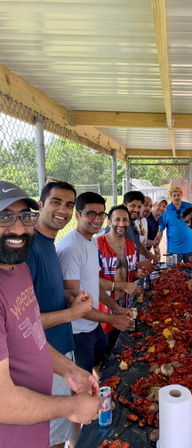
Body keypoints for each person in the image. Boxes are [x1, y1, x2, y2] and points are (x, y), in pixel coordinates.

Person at [0, 181, 103, 448]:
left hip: (36, 416)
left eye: (25, 217)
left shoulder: (18, 266)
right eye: (4, 217)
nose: (18, 228)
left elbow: (32, 333)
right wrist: (70, 405)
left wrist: (70, 370)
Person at [26, 180, 94, 448]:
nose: (62, 210)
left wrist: (69, 298)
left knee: (69, 423)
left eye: (68, 204)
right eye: (56, 202)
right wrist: (72, 313)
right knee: (51, 435)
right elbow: (23, 322)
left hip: (62, 350)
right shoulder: (29, 248)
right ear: (41, 204)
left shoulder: (48, 243)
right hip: (44, 357)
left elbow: (41, 298)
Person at [56, 192, 133, 376]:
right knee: (82, 380)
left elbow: (93, 284)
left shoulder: (91, 242)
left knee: (101, 367)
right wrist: (114, 319)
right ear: (77, 215)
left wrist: (116, 308)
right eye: (91, 213)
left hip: (93, 324)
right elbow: (73, 302)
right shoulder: (70, 248)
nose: (97, 219)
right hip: (77, 332)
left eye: (101, 214)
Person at [97, 205, 145, 347]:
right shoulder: (97, 245)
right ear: (109, 222)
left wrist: (138, 274)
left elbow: (128, 275)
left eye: (125, 220)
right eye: (117, 219)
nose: (122, 224)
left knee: (123, 346)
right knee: (104, 348)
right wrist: (123, 285)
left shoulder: (131, 246)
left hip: (125, 305)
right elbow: (91, 280)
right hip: (103, 307)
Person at [155, 186, 192, 262]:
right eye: (174, 195)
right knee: (172, 272)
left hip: (190, 248)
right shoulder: (166, 210)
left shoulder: (189, 207)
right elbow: (161, 231)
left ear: (181, 195)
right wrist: (157, 245)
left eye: (178, 195)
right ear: (171, 196)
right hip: (173, 250)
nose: (176, 197)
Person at [134, 195, 152, 262]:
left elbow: (143, 240)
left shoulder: (145, 220)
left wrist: (154, 243)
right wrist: (148, 254)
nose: (148, 208)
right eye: (145, 205)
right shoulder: (131, 222)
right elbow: (135, 243)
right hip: (134, 264)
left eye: (150, 206)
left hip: (143, 262)